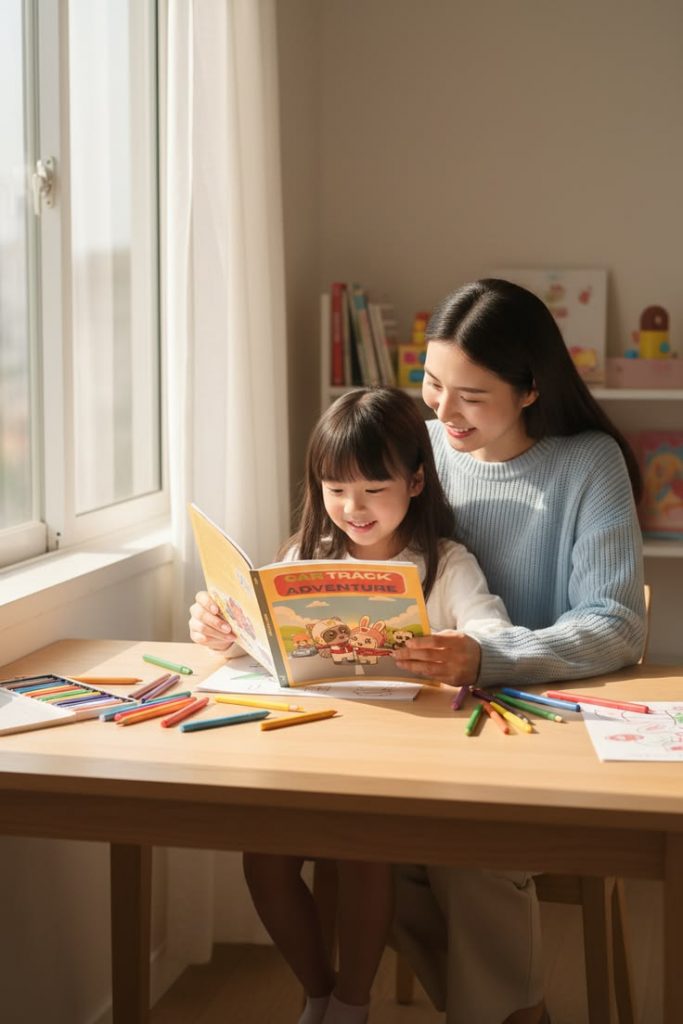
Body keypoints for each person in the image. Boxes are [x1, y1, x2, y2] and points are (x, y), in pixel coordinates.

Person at [189, 385, 511, 1024]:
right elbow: (261, 653)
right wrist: (223, 633)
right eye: (335, 489)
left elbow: (496, 637)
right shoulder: (303, 558)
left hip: (402, 765)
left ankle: (352, 1004)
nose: (352, 508)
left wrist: (459, 648)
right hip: (310, 749)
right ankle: (318, 991)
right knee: (264, 859)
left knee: (363, 851)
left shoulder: (445, 565)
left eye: (372, 487)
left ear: (416, 482)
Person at [388, 278, 646, 1024]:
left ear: (530, 389)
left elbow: (616, 624)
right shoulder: (421, 449)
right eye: (431, 383)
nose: (441, 412)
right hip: (425, 733)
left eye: (470, 394)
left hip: (541, 733)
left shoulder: (585, 464)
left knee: (466, 853)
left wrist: (486, 659)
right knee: (354, 845)